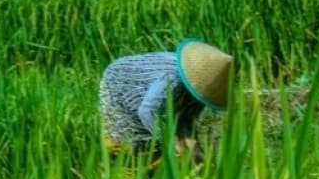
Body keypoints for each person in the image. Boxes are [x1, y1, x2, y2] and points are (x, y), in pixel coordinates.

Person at [99, 38, 233, 169]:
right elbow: (147, 111)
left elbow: (185, 119)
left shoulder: (201, 90)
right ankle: (128, 176)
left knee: (173, 140)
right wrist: (172, 142)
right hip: (121, 85)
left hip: (152, 97)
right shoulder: (171, 78)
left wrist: (194, 148)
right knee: (133, 139)